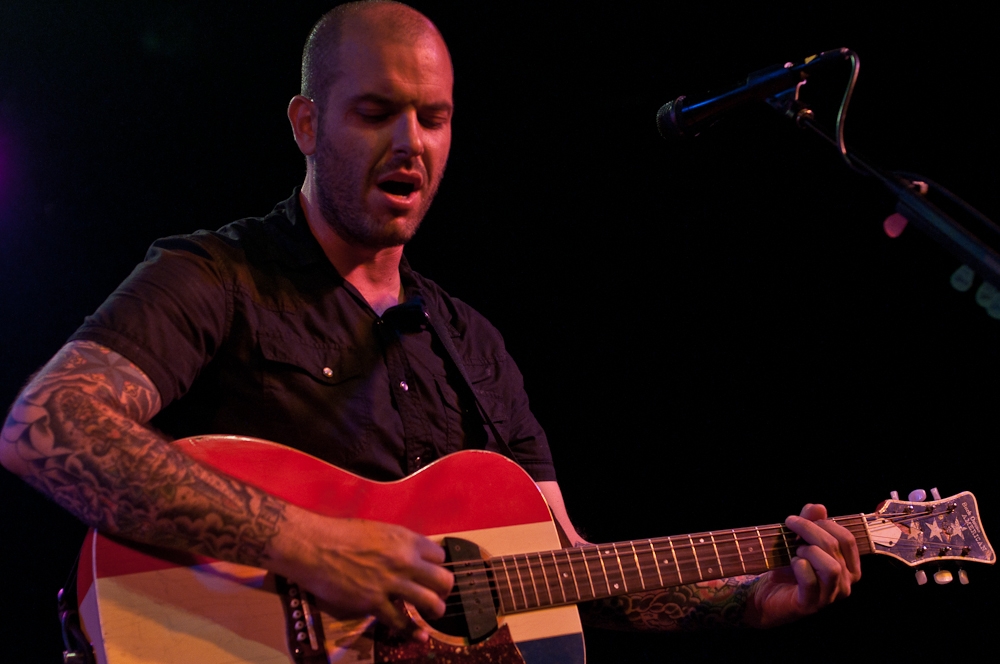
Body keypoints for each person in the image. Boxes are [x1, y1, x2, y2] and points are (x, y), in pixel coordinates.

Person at [0, 0, 859, 651]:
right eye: (376, 112)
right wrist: (304, 544)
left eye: (433, 117)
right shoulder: (218, 276)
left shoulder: (472, 344)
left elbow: (574, 565)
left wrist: (752, 594)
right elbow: (45, 430)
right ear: (306, 125)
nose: (410, 141)